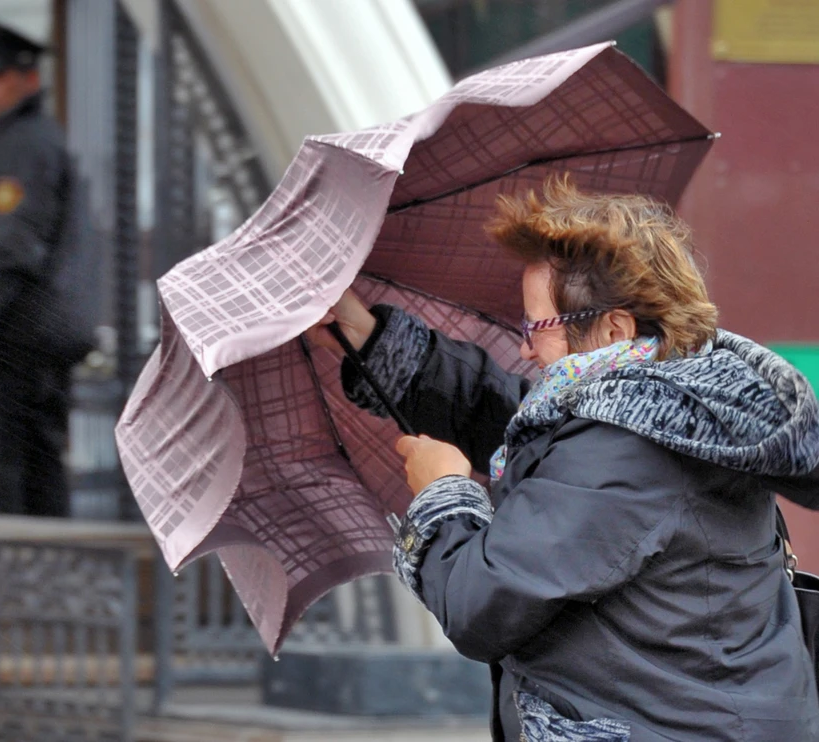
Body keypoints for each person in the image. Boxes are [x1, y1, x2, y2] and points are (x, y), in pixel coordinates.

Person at [307, 176, 819, 741]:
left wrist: (443, 496)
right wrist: (374, 341)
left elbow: (481, 603)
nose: (525, 347)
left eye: (537, 326)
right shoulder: (675, 406)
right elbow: (522, 424)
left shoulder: (625, 451)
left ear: (614, 328)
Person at [0, 18, 87, 516]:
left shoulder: (23, 146)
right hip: (24, 345)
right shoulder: (26, 141)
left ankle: (6, 592)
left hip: (10, 346)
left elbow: (10, 250)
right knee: (34, 480)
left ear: (29, 79)